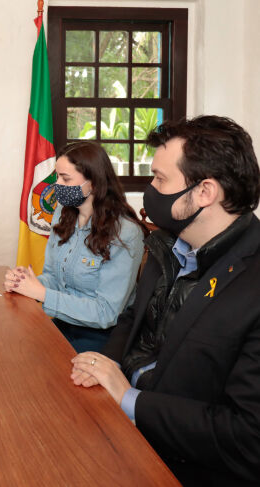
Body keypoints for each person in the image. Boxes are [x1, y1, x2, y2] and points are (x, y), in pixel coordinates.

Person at [70, 116, 260, 485]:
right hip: (118, 429)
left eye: (159, 179)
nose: (150, 190)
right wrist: (102, 364)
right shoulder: (166, 245)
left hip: (179, 464)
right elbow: (132, 319)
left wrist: (128, 399)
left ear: (205, 192)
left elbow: (248, 437)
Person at [5, 141, 146, 353]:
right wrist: (25, 282)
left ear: (94, 184)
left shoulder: (125, 233)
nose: (57, 185)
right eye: (57, 176)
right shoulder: (62, 213)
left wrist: (41, 293)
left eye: (65, 178)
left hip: (103, 335)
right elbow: (53, 277)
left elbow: (106, 313)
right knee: (16, 350)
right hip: (64, 322)